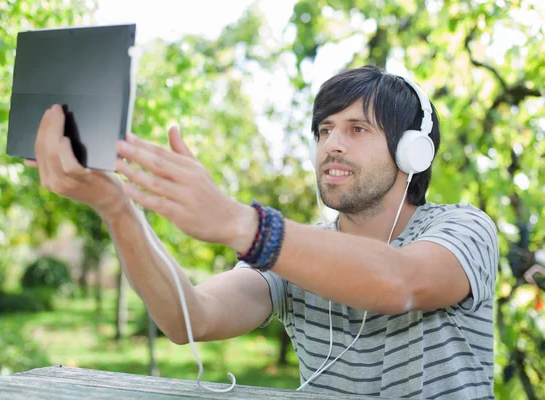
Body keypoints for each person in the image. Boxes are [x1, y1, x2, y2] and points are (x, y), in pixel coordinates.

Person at [27, 65, 498, 399]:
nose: (331, 144)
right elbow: (190, 317)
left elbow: (402, 283)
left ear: (411, 153)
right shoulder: (298, 255)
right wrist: (118, 208)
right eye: (325, 130)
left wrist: (239, 222)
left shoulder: (463, 228)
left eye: (357, 129)